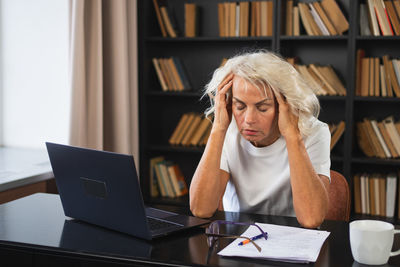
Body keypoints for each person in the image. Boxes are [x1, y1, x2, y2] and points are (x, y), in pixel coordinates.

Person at [189, 51, 331, 228]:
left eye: (262, 108)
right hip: (238, 238)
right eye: (240, 106)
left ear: (285, 105)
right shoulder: (228, 129)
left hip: (293, 240)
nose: (248, 119)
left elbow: (311, 219)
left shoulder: (315, 132)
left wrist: (292, 137)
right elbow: (201, 209)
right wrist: (218, 129)